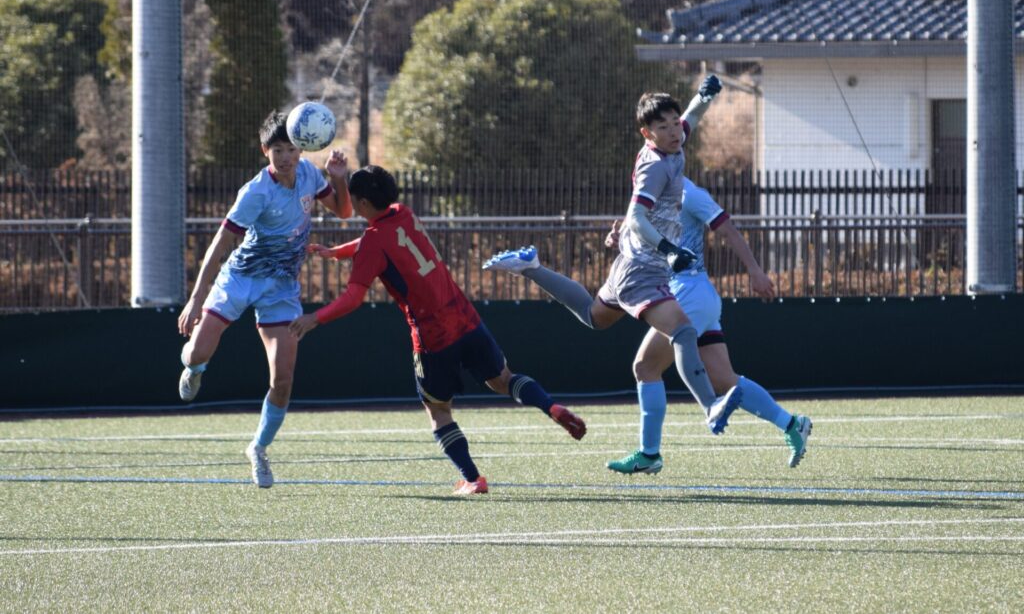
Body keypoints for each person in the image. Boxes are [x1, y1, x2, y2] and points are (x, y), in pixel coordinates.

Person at [290, 165, 587, 496]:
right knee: (504, 379)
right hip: (465, 316)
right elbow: (380, 239)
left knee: (438, 410)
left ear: (361, 203)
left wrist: (314, 318)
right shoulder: (403, 213)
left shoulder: (374, 242)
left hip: (433, 338)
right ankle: (551, 407)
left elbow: (353, 297)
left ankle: (472, 479)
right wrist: (338, 252)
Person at [484, 79, 744, 435]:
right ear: (647, 133)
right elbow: (636, 218)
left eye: (673, 123)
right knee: (683, 331)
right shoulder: (655, 167)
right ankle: (711, 406)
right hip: (642, 269)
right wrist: (669, 251)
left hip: (634, 262)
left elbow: (690, 119)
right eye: (663, 127)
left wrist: (704, 96)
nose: (673, 131)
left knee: (595, 316)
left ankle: (532, 267)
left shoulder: (673, 141)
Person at [176, 110, 353, 489]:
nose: (286, 157)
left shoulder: (310, 175)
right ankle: (193, 367)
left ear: (301, 149)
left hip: (281, 287)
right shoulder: (255, 192)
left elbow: (343, 212)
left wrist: (339, 178)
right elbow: (221, 242)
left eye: (291, 149)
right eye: (277, 150)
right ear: (265, 151)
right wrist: (196, 298)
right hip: (240, 278)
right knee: (198, 352)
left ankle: (257, 448)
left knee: (283, 379)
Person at [602, 176, 812, 475]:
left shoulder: (689, 194)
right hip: (691, 295)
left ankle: (649, 454)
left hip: (688, 293)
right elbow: (643, 238)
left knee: (646, 367)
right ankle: (792, 425)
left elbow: (728, 230)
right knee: (724, 379)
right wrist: (618, 240)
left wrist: (755, 271)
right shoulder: (651, 194)